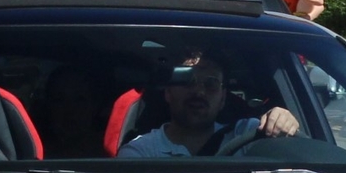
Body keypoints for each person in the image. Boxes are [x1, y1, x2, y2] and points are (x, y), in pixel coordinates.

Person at [117, 51, 303, 157]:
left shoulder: (250, 134)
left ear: (223, 99)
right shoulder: (140, 153)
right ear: (168, 93)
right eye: (188, 81)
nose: (199, 92)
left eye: (211, 84)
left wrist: (283, 121)